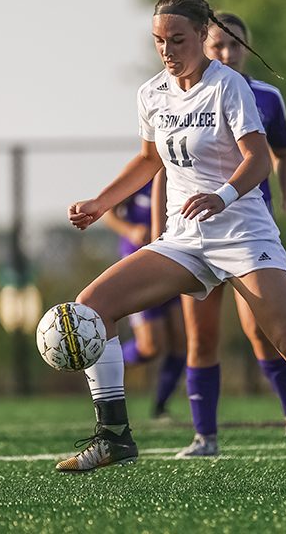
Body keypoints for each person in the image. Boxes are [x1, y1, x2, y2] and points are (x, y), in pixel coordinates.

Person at [57, 0, 286, 493]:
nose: (168, 49)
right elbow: (151, 160)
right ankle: (114, 435)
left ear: (202, 35)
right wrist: (102, 202)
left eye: (178, 38)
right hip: (184, 238)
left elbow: (259, 159)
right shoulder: (152, 93)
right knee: (91, 307)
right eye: (158, 40)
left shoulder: (229, 87)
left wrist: (222, 196)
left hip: (242, 233)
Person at [167, 12, 286, 458]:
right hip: (193, 232)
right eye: (219, 45)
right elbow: (162, 163)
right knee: (201, 337)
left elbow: (283, 154)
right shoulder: (182, 96)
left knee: (265, 333)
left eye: (236, 45)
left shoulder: (266, 97)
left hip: (246, 233)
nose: (228, 54)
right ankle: (205, 438)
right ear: (202, 45)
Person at [103, 177, 186, 419]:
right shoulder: (143, 174)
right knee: (150, 346)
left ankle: (160, 406)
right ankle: (106, 364)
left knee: (182, 339)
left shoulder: (184, 174)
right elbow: (109, 211)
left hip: (173, 263)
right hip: (139, 269)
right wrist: (131, 230)